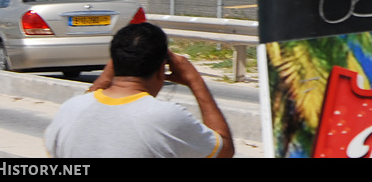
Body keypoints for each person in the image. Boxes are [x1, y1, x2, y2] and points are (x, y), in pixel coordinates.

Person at [44, 21, 234, 158]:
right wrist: (194, 81)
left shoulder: (69, 110)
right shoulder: (166, 116)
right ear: (162, 68)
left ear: (113, 64)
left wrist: (103, 80)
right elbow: (223, 149)